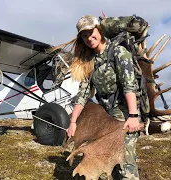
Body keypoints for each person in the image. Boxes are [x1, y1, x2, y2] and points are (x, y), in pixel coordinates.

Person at [51, 15, 145, 180]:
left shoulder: (118, 52)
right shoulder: (89, 61)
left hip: (124, 111)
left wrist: (133, 116)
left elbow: (130, 85)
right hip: (104, 114)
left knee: (126, 159)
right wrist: (73, 122)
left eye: (91, 32)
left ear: (100, 30)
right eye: (84, 35)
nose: (88, 38)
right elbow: (83, 93)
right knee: (107, 157)